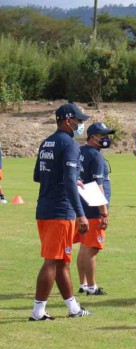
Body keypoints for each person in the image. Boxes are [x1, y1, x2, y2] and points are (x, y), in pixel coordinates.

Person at [30, 103, 93, 321]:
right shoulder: (70, 145)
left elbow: (38, 176)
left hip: (44, 208)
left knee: (62, 261)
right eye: (78, 120)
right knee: (51, 260)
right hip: (60, 211)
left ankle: (73, 308)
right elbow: (68, 180)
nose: (81, 124)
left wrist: (68, 177)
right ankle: (38, 312)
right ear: (68, 120)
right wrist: (81, 213)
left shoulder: (46, 142)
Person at [74, 122, 114, 296]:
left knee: (84, 246)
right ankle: (92, 286)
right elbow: (99, 186)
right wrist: (103, 212)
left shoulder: (80, 151)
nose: (106, 139)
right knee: (92, 248)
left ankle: (83, 284)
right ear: (93, 137)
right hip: (93, 206)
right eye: (103, 135)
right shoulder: (96, 156)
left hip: (82, 205)